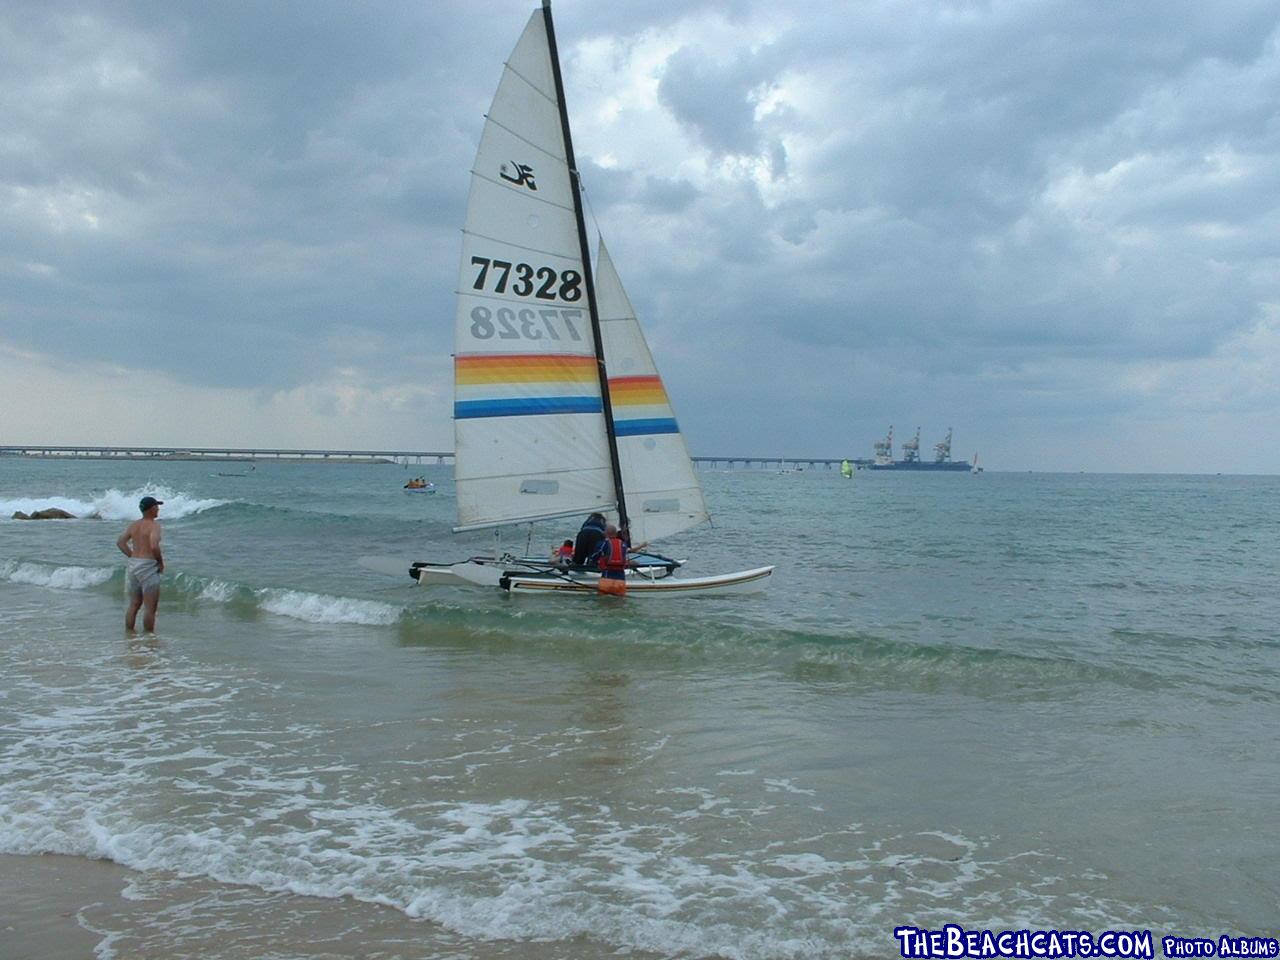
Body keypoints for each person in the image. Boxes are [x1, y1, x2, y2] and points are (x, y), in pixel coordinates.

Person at [116, 496, 165, 632]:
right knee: (150, 608)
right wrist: (160, 563)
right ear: (151, 508)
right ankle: (149, 639)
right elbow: (154, 546)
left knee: (134, 604)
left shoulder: (134, 525)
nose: (158, 509)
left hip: (134, 564)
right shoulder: (154, 525)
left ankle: (129, 633)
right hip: (148, 565)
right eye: (156, 506)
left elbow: (120, 543)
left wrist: (132, 555)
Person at [592, 523, 629, 595]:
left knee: (604, 602)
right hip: (621, 579)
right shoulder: (623, 544)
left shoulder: (604, 544)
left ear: (606, 533)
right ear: (616, 533)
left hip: (607, 576)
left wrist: (593, 562)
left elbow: (596, 555)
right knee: (619, 602)